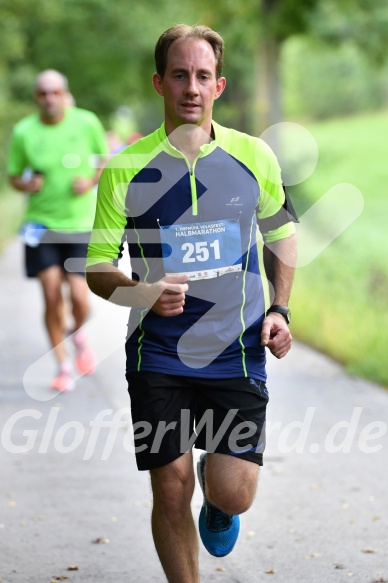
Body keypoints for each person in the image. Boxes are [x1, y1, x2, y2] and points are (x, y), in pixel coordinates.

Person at [86, 24, 298, 583]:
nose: (191, 87)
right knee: (169, 483)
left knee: (235, 491)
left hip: (238, 347)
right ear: (159, 83)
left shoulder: (254, 157)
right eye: (179, 75)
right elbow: (98, 268)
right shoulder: (126, 169)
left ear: (219, 85)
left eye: (203, 76)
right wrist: (143, 293)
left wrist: (279, 310)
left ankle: (221, 495)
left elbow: (281, 235)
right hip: (157, 351)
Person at [7, 69, 108, 392]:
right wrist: (26, 183)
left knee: (79, 296)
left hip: (80, 223)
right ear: (37, 97)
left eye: (55, 92)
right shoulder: (24, 131)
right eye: (43, 93)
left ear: (64, 94)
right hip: (42, 224)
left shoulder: (86, 122)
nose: (49, 98)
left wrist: (91, 180)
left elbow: (104, 159)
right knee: (51, 294)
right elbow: (13, 176)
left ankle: (77, 332)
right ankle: (63, 365)